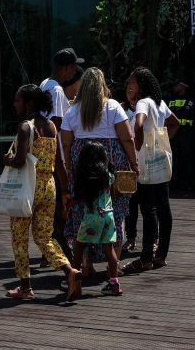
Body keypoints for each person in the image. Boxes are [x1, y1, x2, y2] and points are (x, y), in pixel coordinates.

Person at [4, 84, 81, 300]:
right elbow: (58, 162)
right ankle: (70, 271)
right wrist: (66, 191)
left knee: (19, 238)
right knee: (44, 237)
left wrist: (7, 160)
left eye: (18, 100)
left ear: (28, 103)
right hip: (49, 186)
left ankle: (25, 287)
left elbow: (20, 161)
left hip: (28, 187)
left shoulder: (25, 127)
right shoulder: (50, 127)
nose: (15, 104)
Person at [61, 68, 138, 276]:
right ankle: (114, 266)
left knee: (83, 211)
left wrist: (69, 165)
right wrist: (134, 163)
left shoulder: (73, 110)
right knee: (115, 210)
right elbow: (127, 138)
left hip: (82, 162)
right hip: (111, 161)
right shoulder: (112, 106)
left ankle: (86, 264)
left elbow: (66, 143)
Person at [125, 67, 178, 272]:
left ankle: (146, 258)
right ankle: (161, 255)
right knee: (164, 208)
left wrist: (136, 150)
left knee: (148, 210)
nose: (129, 85)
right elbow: (175, 123)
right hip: (160, 161)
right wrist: (161, 142)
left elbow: (138, 125)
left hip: (145, 164)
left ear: (141, 84)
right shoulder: (160, 103)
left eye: (132, 81)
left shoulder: (143, 103)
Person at [41, 49, 82, 263]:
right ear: (66, 68)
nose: (74, 72)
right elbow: (55, 125)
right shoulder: (56, 90)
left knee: (52, 205)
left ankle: (47, 249)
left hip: (44, 155)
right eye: (73, 67)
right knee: (60, 204)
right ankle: (61, 249)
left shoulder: (45, 84)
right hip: (55, 155)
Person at [71, 141, 121, 296]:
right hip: (108, 215)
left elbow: (80, 197)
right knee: (109, 249)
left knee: (79, 246)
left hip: (92, 216)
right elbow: (112, 194)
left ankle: (74, 278)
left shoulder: (87, 177)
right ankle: (114, 283)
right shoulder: (109, 175)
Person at [168, 80, 195, 190]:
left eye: (177, 85)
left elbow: (183, 113)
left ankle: (189, 182)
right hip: (172, 133)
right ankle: (174, 182)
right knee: (174, 158)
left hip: (186, 133)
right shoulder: (171, 100)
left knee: (186, 157)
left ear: (183, 86)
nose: (174, 87)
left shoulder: (189, 99)